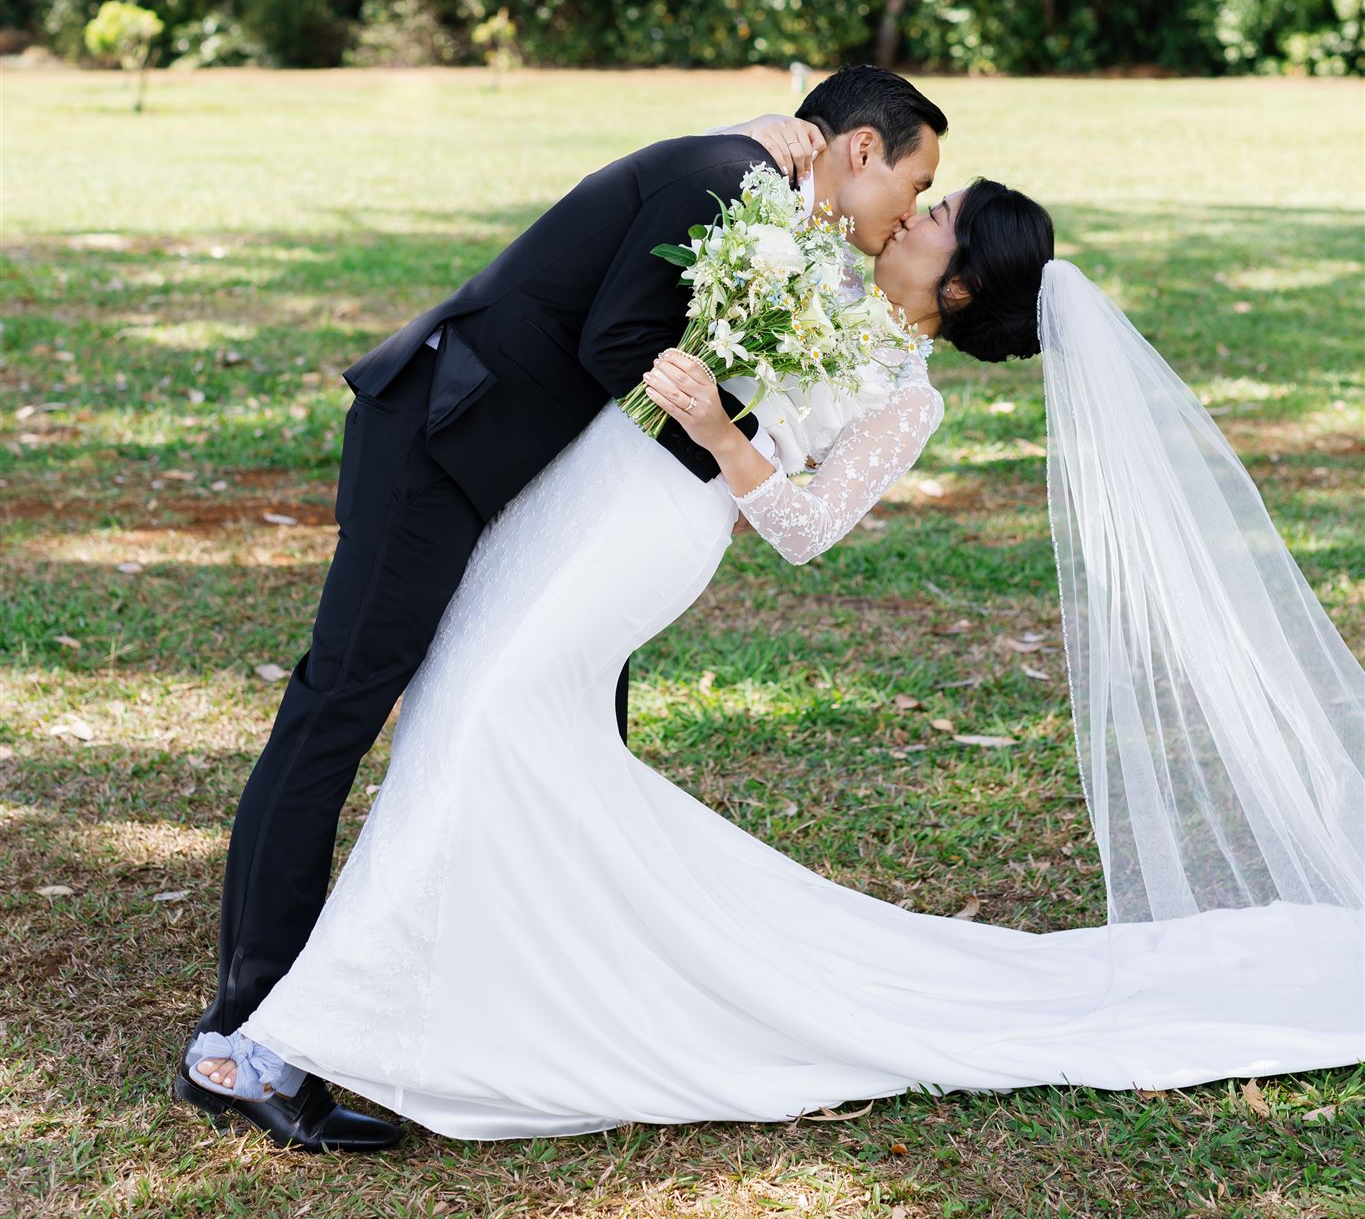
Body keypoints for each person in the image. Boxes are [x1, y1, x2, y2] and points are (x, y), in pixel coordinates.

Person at [182, 167, 1364, 1142]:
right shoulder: (819, 264)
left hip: (647, 534)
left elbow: (802, 527)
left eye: (939, 216)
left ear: (955, 287)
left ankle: (294, 1037)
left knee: (486, 718)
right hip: (576, 497)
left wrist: (718, 428)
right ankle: (426, 991)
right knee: (462, 713)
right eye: (927, 193)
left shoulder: (908, 398)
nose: (916, 207)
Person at [178, 67, 948, 1148]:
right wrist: (732, 456)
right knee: (337, 708)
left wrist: (727, 464)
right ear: (861, 149)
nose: (908, 211)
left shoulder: (765, 192)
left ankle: (526, 991)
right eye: (914, 181)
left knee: (566, 734)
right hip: (442, 440)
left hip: (543, 491)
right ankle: (240, 1033)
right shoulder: (729, 176)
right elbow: (615, 344)